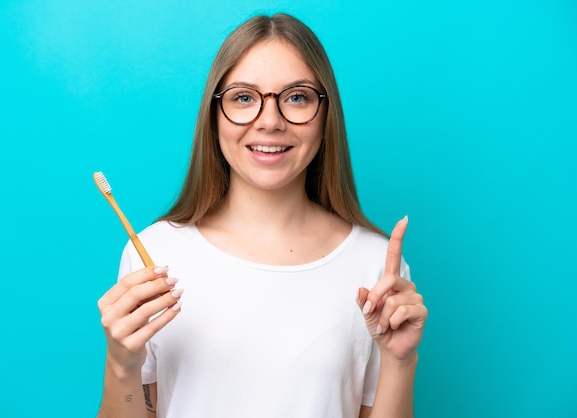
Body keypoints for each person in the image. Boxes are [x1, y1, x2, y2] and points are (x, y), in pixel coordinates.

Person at [97, 13, 427, 418]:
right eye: (243, 98)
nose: (270, 121)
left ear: (326, 117)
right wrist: (121, 365)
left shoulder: (376, 268)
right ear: (214, 116)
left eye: (297, 97)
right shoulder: (152, 253)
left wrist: (399, 362)